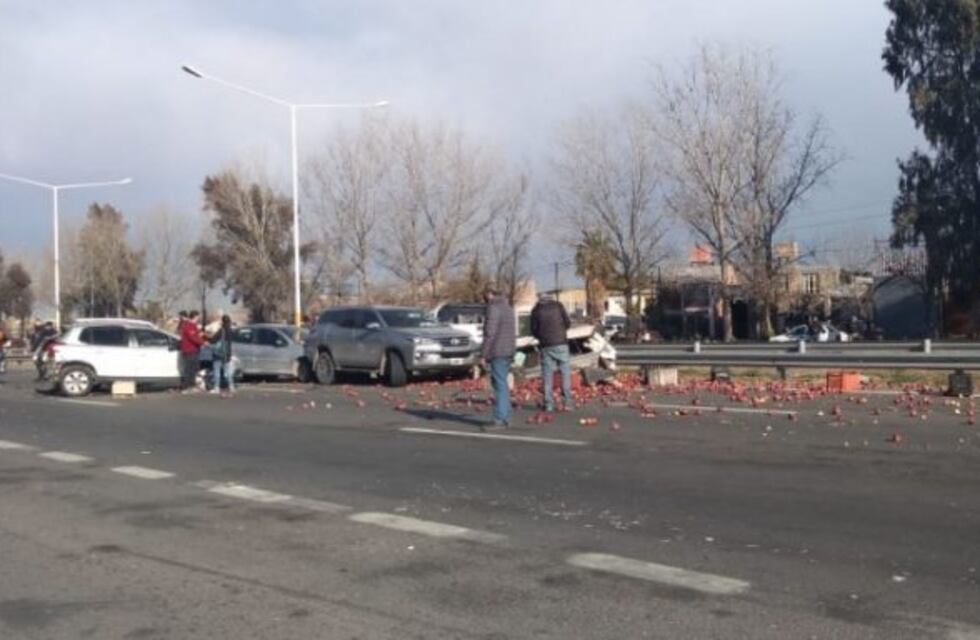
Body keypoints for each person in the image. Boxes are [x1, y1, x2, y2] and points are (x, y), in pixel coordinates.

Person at [530, 293, 572, 412]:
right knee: (565, 372)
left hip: (546, 345)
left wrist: (541, 336)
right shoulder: (559, 306)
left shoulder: (536, 310)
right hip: (561, 343)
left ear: (539, 299)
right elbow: (568, 323)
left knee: (547, 374)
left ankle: (548, 404)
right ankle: (567, 402)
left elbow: (533, 330)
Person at [482, 286, 516, 429]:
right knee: (502, 383)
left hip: (498, 351)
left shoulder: (493, 308)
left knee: (499, 384)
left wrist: (483, 354)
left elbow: (490, 333)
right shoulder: (508, 308)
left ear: (490, 294)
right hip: (508, 350)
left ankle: (499, 419)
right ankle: (506, 414)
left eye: (485, 296)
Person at [179, 310, 205, 391]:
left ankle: (192, 385)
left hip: (194, 350)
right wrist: (203, 342)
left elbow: (196, 335)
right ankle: (186, 386)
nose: (199, 318)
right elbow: (193, 338)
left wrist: (200, 335)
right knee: (189, 369)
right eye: (198, 317)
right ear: (195, 316)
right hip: (190, 350)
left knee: (194, 368)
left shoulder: (193, 325)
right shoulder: (189, 326)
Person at [209, 314, 235, 395]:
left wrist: (207, 336)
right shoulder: (230, 331)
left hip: (218, 354)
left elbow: (212, 340)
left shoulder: (221, 330)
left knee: (217, 371)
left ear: (222, 321)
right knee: (228, 371)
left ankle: (216, 387)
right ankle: (231, 386)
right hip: (227, 353)